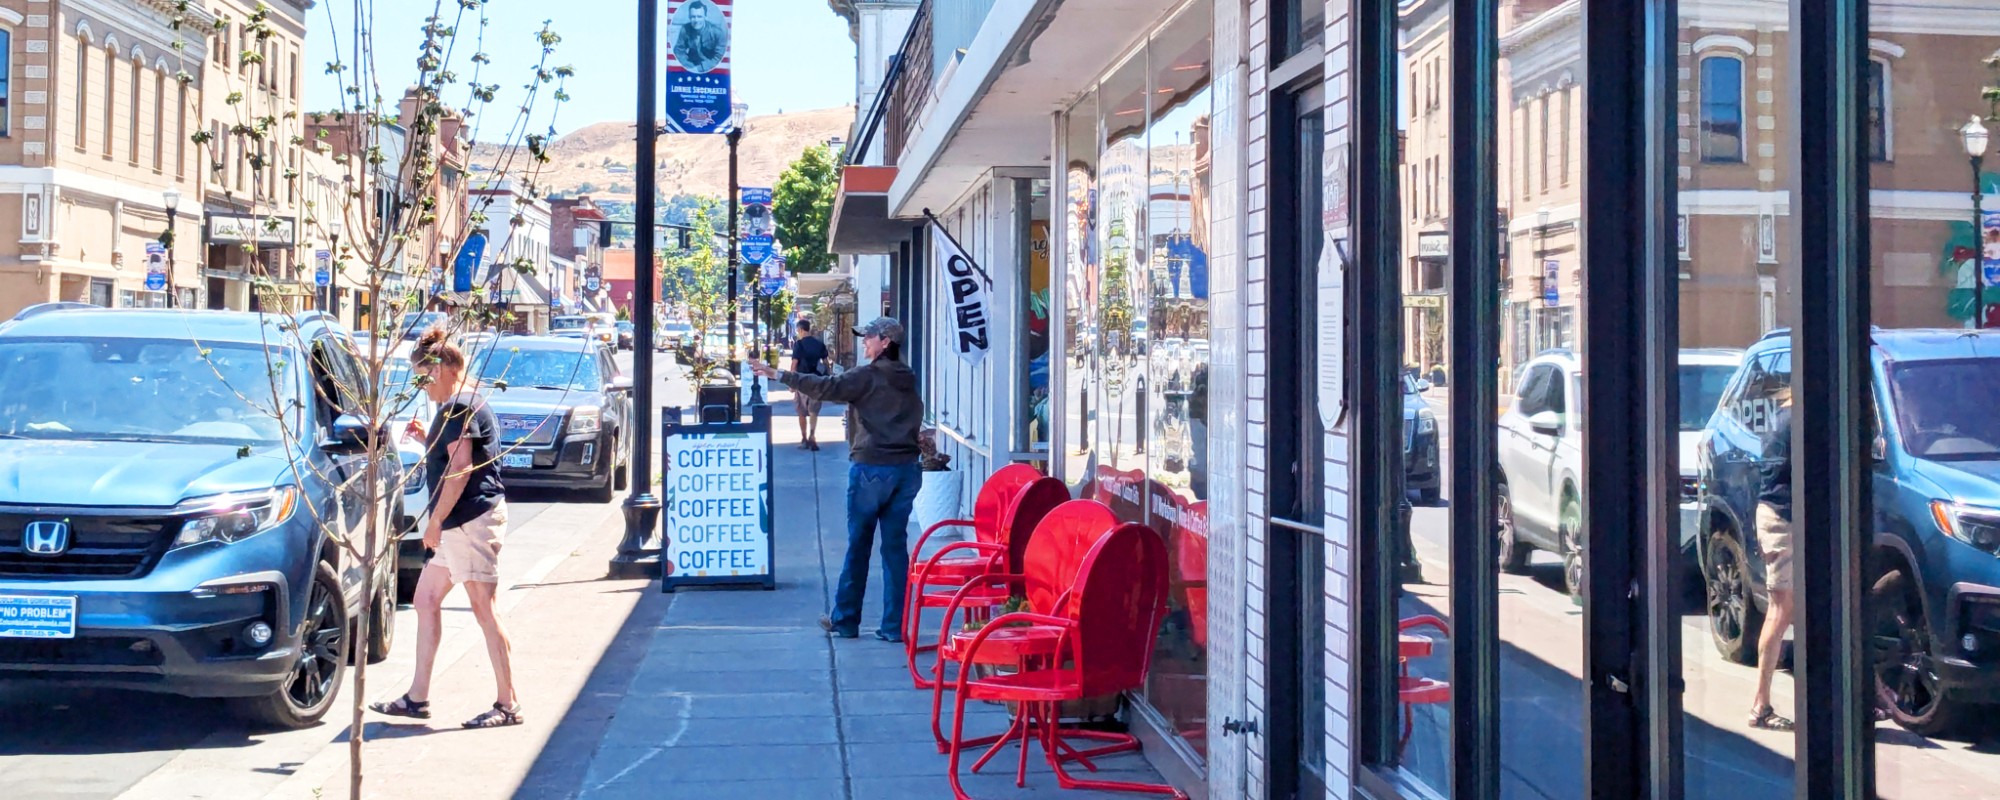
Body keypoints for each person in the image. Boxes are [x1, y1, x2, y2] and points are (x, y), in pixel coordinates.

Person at [371, 327, 523, 729]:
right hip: (463, 521)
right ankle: (417, 698)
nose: (421, 387)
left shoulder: (458, 407)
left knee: (484, 610)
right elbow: (454, 455)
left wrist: (434, 521)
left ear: (437, 372)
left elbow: (460, 469)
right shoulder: (464, 403)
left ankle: (508, 705)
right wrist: (429, 439)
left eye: (421, 378)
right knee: (425, 599)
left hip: (470, 520)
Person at [751, 317, 922, 642]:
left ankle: (845, 619)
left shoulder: (868, 376)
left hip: (872, 467)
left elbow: (825, 387)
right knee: (895, 548)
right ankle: (894, 626)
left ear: (886, 341)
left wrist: (778, 374)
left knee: (859, 544)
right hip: (906, 468)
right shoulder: (908, 377)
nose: (864, 343)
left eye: (869, 337)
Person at [1748, 386, 1794, 731]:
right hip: (1783, 521)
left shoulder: (1784, 417)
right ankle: (1760, 705)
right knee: (1780, 613)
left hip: (1778, 518)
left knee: (1787, 612)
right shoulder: (1794, 421)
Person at [790, 320, 830, 451]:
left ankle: (804, 439)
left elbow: (794, 364)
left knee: (801, 411)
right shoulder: (819, 344)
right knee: (813, 411)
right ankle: (813, 435)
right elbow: (826, 363)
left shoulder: (799, 345)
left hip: (802, 381)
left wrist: (791, 382)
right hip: (816, 381)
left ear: (801, 330)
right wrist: (827, 379)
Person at [673, 0, 728, 74]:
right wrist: (689, 66)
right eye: (693, 17)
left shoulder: (717, 32)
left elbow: (719, 57)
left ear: (705, 16)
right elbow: (678, 51)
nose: (696, 20)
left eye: (699, 16)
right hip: (691, 66)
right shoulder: (685, 29)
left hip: (711, 68)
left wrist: (701, 67)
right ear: (689, 17)